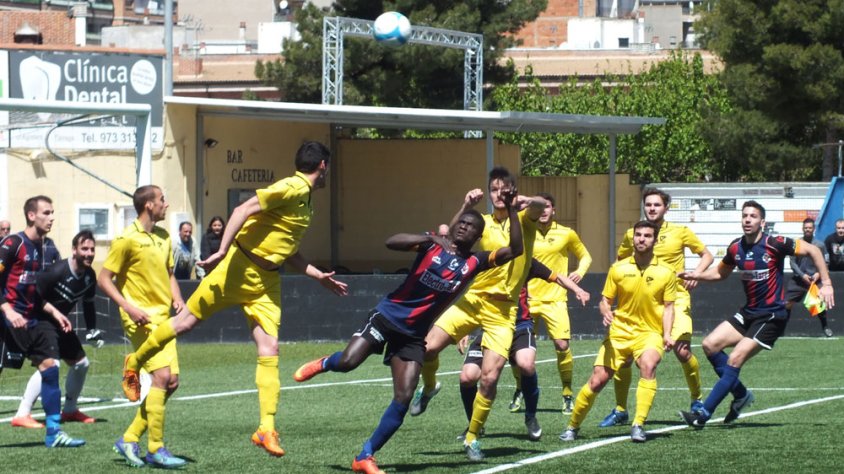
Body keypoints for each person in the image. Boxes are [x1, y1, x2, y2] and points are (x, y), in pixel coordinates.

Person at [120, 141, 349, 458]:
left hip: (267, 282)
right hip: (236, 268)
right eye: (328, 166)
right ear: (322, 166)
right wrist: (222, 251)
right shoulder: (291, 187)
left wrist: (316, 275)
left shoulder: (306, 200)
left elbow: (289, 250)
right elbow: (242, 210)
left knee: (270, 348)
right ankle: (135, 362)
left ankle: (266, 428)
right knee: (184, 323)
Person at [291, 190, 523, 474]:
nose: (464, 226)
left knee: (403, 397)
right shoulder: (432, 245)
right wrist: (428, 238)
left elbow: (516, 249)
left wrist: (512, 209)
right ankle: (327, 362)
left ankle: (365, 456)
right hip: (387, 317)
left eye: (471, 226)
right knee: (348, 362)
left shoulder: (476, 262)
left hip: (413, 335)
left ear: (478, 236)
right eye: (462, 222)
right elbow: (391, 242)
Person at [410, 167, 547, 461]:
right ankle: (430, 387)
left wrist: (526, 200)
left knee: (489, 378)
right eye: (494, 189)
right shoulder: (482, 223)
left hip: (503, 310)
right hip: (472, 301)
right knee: (426, 347)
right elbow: (450, 239)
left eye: (504, 189)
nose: (499, 194)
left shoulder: (524, 219)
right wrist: (465, 206)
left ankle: (473, 437)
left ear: (512, 190)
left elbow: (541, 205)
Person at [679, 201, 834, 428]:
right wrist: (697, 276)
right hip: (749, 312)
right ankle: (741, 395)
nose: (747, 220)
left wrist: (826, 283)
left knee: (735, 358)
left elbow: (814, 250)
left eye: (753, 216)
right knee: (710, 345)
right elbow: (721, 273)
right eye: (744, 216)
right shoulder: (736, 248)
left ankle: (702, 414)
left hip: (772, 315)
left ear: (762, 222)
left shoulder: (775, 243)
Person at [598, 188, 713, 428]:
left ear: (666, 208)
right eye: (648, 204)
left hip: (675, 299)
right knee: (624, 358)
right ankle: (621, 410)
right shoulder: (633, 234)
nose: (652, 208)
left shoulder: (680, 232)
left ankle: (697, 400)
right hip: (642, 303)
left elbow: (707, 255)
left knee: (682, 350)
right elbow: (619, 261)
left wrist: (697, 274)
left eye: (657, 205)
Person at [560, 220, 676, 443]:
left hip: (649, 333)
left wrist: (667, 334)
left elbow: (669, 307)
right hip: (619, 333)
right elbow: (605, 300)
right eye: (638, 235)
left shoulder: (666, 272)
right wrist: (606, 312)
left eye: (647, 236)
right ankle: (572, 427)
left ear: (655, 240)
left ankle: (638, 424)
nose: (641, 239)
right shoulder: (618, 268)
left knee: (648, 365)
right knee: (597, 380)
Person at [98, 185, 187, 468]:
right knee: (161, 377)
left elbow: (170, 274)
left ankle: (129, 438)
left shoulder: (164, 236)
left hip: (164, 318)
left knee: (172, 383)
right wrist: (129, 307)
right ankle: (156, 449)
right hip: (140, 319)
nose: (166, 204)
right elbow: (104, 278)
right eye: (162, 199)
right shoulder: (126, 239)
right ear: (149, 205)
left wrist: (178, 299)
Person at [459, 269, 590, 442]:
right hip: (491, 327)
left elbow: (557, 277)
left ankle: (530, 417)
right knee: (467, 377)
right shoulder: (488, 263)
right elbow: (471, 293)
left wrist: (578, 290)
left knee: (526, 364)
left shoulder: (525, 262)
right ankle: (474, 424)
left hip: (520, 327)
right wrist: (463, 327)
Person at [0, 195, 85, 447]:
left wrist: (55, 312)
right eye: (46, 213)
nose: (52, 218)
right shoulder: (13, 243)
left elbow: (34, 292)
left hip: (29, 320)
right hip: (6, 320)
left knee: (50, 367)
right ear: (31, 215)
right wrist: (7, 310)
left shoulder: (43, 248)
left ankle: (53, 433)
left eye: (52, 212)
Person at [11, 230, 103, 428]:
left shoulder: (90, 276)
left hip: (59, 323)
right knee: (50, 365)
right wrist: (52, 314)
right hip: (39, 321)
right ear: (74, 250)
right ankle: (22, 414)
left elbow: (88, 304)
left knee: (81, 364)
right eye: (84, 249)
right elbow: (33, 297)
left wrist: (92, 330)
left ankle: (69, 410)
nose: (89, 253)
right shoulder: (56, 271)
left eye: (92, 249)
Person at [522, 191, 592, 415]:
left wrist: (580, 272)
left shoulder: (566, 233)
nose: (543, 211)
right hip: (527, 299)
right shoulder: (524, 230)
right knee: (521, 349)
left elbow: (586, 256)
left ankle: (567, 393)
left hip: (555, 299)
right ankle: (519, 389)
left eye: (547, 207)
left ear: (554, 210)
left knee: (562, 346)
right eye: (539, 207)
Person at [786, 218, 832, 337]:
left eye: (810, 228)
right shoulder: (796, 243)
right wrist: (802, 275)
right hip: (799, 280)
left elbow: (826, 262)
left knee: (819, 305)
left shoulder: (820, 245)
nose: (807, 229)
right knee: (787, 303)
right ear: (802, 229)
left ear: (813, 229)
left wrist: (818, 274)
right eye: (806, 228)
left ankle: (825, 327)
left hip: (815, 280)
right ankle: (780, 328)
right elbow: (792, 263)